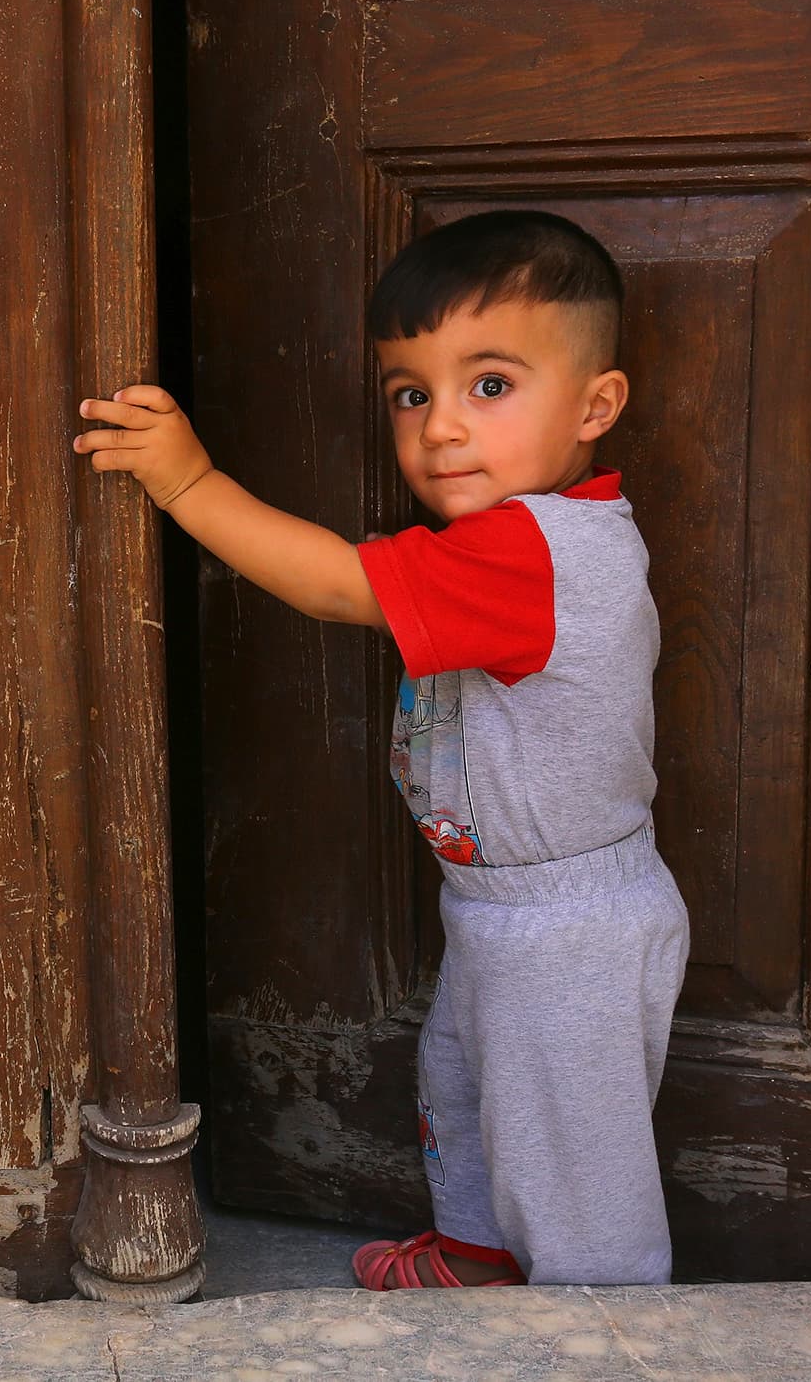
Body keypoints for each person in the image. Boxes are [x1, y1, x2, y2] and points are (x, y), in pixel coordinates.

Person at [72, 209, 690, 1289]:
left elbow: (332, 583)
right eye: (412, 394)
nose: (441, 428)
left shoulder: (528, 550)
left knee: (570, 1163)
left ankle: (607, 1327)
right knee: (461, 1085)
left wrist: (185, 483)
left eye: (488, 385)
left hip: (565, 925)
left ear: (596, 405)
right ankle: (475, 1259)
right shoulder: (520, 539)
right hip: (503, 903)